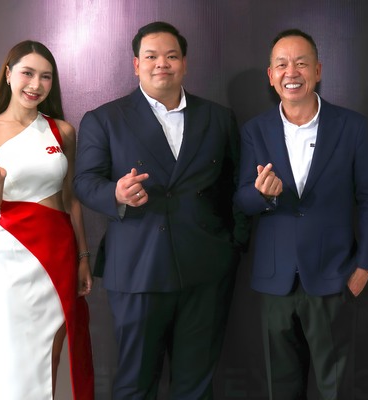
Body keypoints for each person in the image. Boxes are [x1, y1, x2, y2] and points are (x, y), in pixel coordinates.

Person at [73, 21, 248, 399]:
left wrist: (232, 245)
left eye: (171, 56)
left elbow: (236, 186)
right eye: (151, 56)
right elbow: (84, 182)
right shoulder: (104, 119)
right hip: (137, 270)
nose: (161, 64)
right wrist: (115, 193)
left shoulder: (218, 117)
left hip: (205, 270)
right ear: (136, 65)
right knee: (135, 385)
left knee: (195, 387)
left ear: (185, 63)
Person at [234, 29, 368, 399]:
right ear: (271, 75)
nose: (292, 72)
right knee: (281, 388)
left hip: (334, 277)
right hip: (275, 281)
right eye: (282, 64)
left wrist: (365, 266)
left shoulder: (351, 126)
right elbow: (241, 201)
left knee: (337, 389)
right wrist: (262, 195)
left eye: (301, 63)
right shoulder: (255, 131)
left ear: (317, 70)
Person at [0, 40, 94, 399]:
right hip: (11, 261)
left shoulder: (62, 131)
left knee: (57, 357)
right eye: (28, 73)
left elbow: (71, 200)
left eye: (46, 77)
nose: (36, 85)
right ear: (9, 75)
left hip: (59, 255)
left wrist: (83, 257)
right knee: (15, 363)